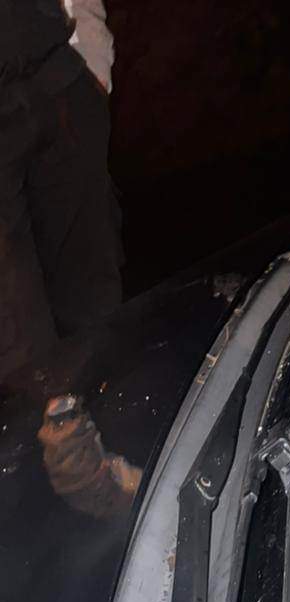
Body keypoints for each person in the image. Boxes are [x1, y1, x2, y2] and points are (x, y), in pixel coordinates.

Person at [0, 2, 134, 516]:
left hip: (56, 73)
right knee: (22, 341)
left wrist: (91, 59)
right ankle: (82, 499)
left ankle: (144, 478)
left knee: (94, 303)